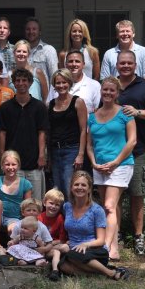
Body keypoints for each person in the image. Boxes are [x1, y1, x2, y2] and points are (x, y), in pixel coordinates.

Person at [116, 50, 145, 255]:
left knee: (137, 195)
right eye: (122, 63)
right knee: (115, 197)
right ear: (117, 65)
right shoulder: (111, 86)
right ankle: (116, 234)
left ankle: (138, 237)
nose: (125, 66)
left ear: (135, 65)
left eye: (129, 63)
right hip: (113, 152)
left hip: (138, 151)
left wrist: (138, 112)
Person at [87, 76, 137, 260]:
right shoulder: (92, 116)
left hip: (121, 165)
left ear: (117, 93)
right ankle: (114, 249)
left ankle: (106, 247)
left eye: (111, 90)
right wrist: (93, 163)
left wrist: (115, 162)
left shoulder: (125, 113)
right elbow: (89, 145)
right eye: (105, 90)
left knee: (109, 206)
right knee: (109, 207)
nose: (107, 93)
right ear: (101, 92)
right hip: (100, 167)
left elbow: (132, 141)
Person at [58, 171, 130, 281]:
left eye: (83, 185)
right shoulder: (67, 207)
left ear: (89, 189)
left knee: (71, 255)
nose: (79, 187)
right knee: (61, 264)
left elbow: (101, 241)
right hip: (74, 250)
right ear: (71, 188)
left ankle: (110, 273)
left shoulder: (97, 210)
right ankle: (97, 274)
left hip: (94, 250)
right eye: (76, 184)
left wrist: (86, 244)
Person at [0, 68, 49, 200]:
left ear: (30, 83)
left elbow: (42, 132)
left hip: (34, 161)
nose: (21, 83)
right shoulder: (5, 107)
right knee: (15, 199)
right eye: (17, 80)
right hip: (13, 162)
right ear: (13, 83)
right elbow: (2, 133)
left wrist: (42, 155)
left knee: (35, 200)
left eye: (24, 80)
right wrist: (2, 157)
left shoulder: (39, 107)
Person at [48, 68, 87, 197]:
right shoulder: (50, 105)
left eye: (64, 82)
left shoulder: (78, 102)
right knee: (57, 189)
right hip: (55, 151)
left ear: (69, 83)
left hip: (71, 150)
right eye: (58, 83)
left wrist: (80, 154)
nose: (61, 85)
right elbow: (48, 131)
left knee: (69, 186)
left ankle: (72, 210)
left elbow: (83, 129)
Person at [0, 151, 33, 251]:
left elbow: (28, 206)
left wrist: (25, 222)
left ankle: (13, 249)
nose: (10, 167)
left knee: (13, 230)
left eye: (13, 164)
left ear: (18, 166)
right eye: (7, 164)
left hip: (14, 217)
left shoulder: (25, 183)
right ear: (2, 166)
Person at [47, 50, 101, 114]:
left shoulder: (94, 85)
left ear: (83, 64)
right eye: (70, 61)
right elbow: (49, 107)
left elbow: (97, 111)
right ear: (65, 64)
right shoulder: (56, 84)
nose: (74, 64)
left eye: (77, 61)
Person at [24, 17, 58, 87]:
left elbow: (54, 76)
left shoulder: (48, 50)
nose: (31, 32)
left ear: (40, 32)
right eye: (28, 29)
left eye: (34, 29)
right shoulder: (20, 52)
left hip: (43, 93)